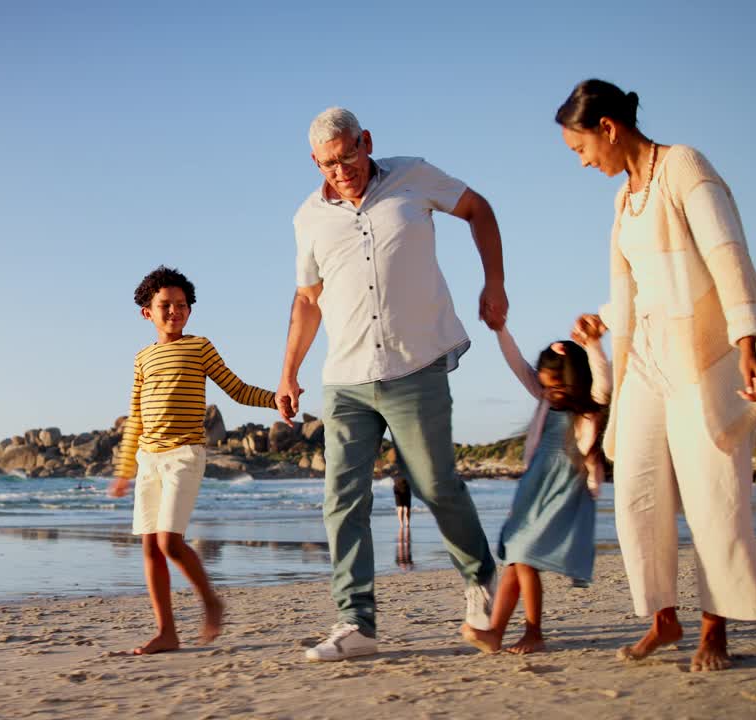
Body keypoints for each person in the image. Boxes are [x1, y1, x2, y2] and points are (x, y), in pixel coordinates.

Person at [555, 79, 756, 671]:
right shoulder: (623, 199)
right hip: (646, 359)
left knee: (714, 493)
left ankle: (716, 627)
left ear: (607, 127)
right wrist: (604, 319)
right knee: (636, 491)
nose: (582, 162)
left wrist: (744, 343)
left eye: (581, 149)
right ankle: (664, 619)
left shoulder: (684, 166)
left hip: (703, 355)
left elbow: (726, 252)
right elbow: (638, 283)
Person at [280, 107, 507, 661]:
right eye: (329, 163)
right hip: (347, 380)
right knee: (341, 498)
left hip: (416, 366)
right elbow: (308, 299)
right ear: (315, 162)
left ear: (366, 142)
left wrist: (494, 283)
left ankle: (481, 581)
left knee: (436, 485)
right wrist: (288, 371)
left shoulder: (413, 177)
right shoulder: (308, 217)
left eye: (349, 155)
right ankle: (356, 622)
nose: (342, 170)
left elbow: (479, 210)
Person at [108, 266, 278, 655]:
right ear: (146, 313)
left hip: (185, 453)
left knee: (169, 542)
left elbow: (236, 389)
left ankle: (211, 601)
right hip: (148, 457)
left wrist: (276, 398)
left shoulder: (199, 347)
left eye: (181, 305)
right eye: (165, 305)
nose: (174, 312)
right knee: (150, 547)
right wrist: (125, 470)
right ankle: (166, 631)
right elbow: (135, 415)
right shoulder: (143, 358)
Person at [462, 322, 610, 655]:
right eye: (543, 386)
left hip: (565, 490)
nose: (548, 393)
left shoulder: (589, 408)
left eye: (556, 387)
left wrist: (594, 346)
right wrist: (501, 332)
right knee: (515, 559)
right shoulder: (544, 399)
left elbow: (602, 378)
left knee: (525, 558)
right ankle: (495, 633)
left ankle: (534, 632)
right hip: (534, 488)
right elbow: (517, 364)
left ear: (574, 382)